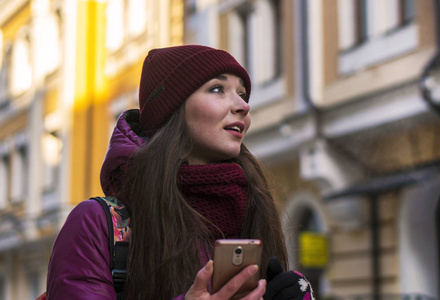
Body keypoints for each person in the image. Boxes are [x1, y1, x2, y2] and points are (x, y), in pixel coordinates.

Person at [45, 45, 315, 300]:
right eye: (218, 89)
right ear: (172, 111)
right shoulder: (95, 224)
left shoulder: (254, 207)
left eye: (242, 94)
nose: (243, 106)